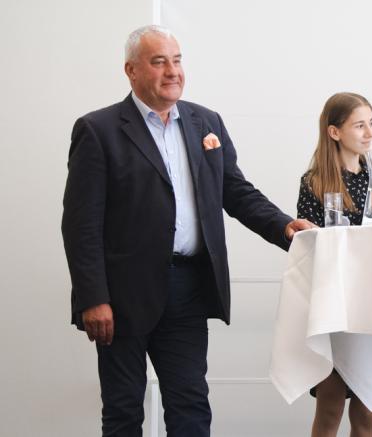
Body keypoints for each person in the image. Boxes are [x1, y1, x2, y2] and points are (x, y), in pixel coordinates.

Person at [61, 25, 315, 436]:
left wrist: (285, 226)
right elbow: (80, 223)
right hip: (122, 295)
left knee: (191, 406)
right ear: (131, 70)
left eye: (176, 60)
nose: (172, 71)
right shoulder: (98, 129)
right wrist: (93, 298)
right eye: (158, 61)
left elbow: (235, 191)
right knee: (124, 410)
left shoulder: (204, 122)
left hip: (189, 289)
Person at [295, 92, 372, 437]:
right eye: (359, 125)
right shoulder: (314, 183)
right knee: (330, 409)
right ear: (335, 132)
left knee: (368, 413)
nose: (369, 133)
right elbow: (316, 249)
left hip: (371, 306)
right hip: (337, 307)